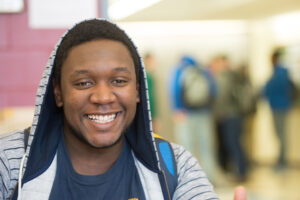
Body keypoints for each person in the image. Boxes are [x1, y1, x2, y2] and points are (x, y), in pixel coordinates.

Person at [0, 19, 246, 200]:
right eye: (84, 83)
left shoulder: (174, 165)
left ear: (138, 90)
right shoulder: (10, 160)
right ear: (58, 93)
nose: (103, 97)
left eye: (119, 81)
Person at [263, 47, 295, 170]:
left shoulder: (281, 72)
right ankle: (281, 161)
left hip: (280, 107)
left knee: (281, 135)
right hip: (277, 106)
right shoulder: (278, 71)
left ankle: (282, 162)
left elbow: (272, 88)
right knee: (279, 135)